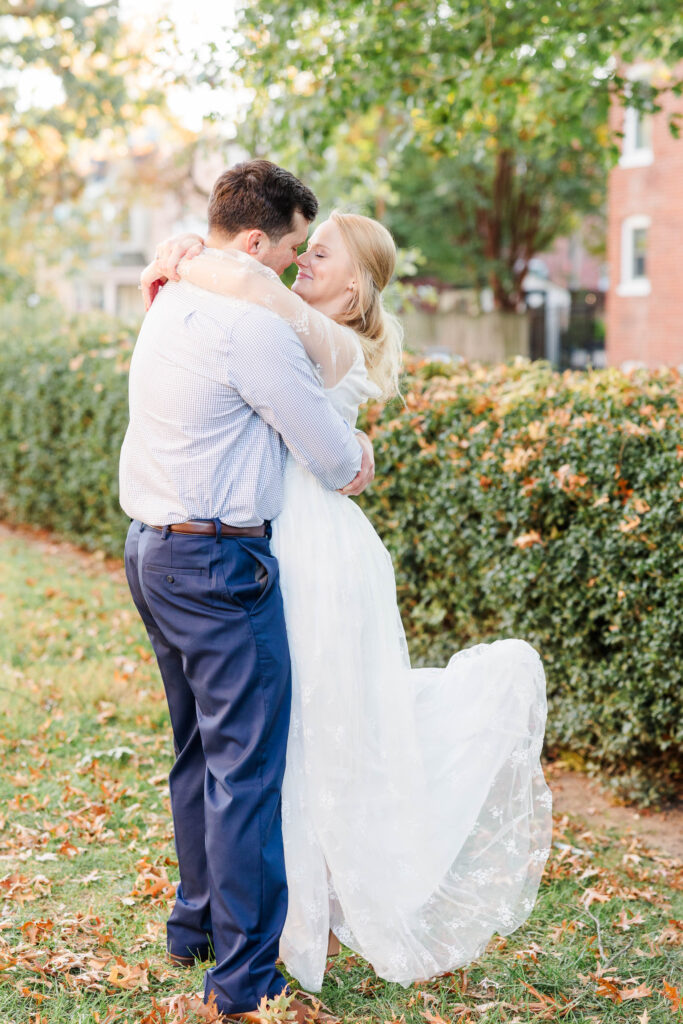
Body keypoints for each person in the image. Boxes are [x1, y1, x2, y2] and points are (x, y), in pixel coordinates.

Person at [143, 209, 553, 993]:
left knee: (295, 728)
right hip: (275, 538)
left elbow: (265, 320)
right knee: (270, 734)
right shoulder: (291, 320)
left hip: (313, 549)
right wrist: (194, 252)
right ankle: (256, 909)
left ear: (354, 282)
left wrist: (200, 259)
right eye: (304, 246)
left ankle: (282, 909)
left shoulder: (322, 340)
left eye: (319, 253)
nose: (302, 262)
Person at [119, 160, 377, 1023]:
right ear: (258, 241)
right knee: (246, 771)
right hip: (218, 568)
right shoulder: (251, 329)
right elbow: (331, 458)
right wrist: (358, 459)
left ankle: (194, 925)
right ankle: (244, 981)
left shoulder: (173, 301)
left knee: (197, 751)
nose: (291, 269)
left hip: (152, 551)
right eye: (293, 248)